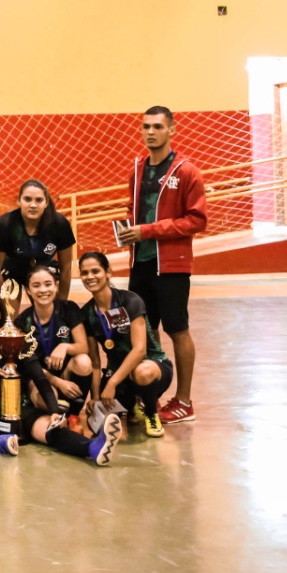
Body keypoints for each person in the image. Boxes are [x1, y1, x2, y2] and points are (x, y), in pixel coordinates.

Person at [0, 292, 120, 464]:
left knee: (48, 428)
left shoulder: (15, 338)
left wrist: (53, 410)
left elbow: (40, 378)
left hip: (19, 409)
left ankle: (92, 448)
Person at [117, 105, 206, 424]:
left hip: (172, 267)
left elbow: (196, 220)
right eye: (145, 126)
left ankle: (184, 401)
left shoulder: (186, 171)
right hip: (140, 265)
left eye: (157, 126)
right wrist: (128, 228)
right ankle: (145, 396)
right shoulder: (138, 169)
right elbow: (134, 208)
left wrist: (147, 230)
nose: (150, 132)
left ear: (172, 130)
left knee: (177, 329)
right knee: (142, 331)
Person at [79, 251, 174, 439]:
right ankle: (131, 405)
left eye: (95, 271)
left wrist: (112, 383)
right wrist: (96, 397)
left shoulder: (130, 300)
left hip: (152, 365)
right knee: (98, 423)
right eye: (84, 273)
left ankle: (151, 413)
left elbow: (140, 350)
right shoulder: (87, 313)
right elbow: (96, 363)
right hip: (119, 374)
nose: (90, 277)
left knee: (141, 372)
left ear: (108, 272)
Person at [15, 265, 92, 412]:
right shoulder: (22, 323)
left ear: (56, 286)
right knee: (45, 400)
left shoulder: (69, 309)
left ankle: (73, 414)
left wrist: (65, 347)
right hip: (39, 376)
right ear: (28, 290)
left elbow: (83, 347)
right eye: (36, 286)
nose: (43, 290)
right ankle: (49, 410)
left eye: (48, 284)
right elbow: (30, 367)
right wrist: (58, 382)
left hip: (65, 371)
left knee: (83, 362)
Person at [0, 179, 76, 301]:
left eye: (39, 200)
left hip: (44, 268)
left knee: (51, 314)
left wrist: (62, 306)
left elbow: (66, 269)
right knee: (8, 316)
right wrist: (3, 310)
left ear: (46, 202)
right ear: (19, 201)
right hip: (11, 271)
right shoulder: (5, 225)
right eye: (27, 199)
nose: (33, 205)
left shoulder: (60, 224)